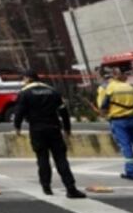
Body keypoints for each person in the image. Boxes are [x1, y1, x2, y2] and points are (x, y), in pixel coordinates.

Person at [13, 69, 86, 198]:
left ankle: (46, 187)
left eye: (23, 79)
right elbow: (64, 112)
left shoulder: (24, 93)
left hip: (37, 129)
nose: (23, 82)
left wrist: (17, 127)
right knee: (61, 159)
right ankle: (71, 188)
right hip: (54, 127)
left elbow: (19, 112)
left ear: (28, 78)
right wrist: (67, 129)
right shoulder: (53, 91)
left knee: (42, 158)